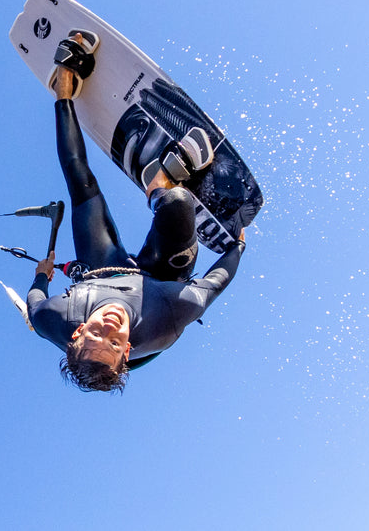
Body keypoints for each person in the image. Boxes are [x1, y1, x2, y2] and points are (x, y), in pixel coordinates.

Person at [27, 31, 247, 393]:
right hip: (161, 282)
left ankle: (64, 87)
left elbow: (34, 303)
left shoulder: (53, 318)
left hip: (101, 270)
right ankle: (161, 183)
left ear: (78, 330)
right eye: (114, 342)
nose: (110, 325)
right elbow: (214, 283)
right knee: (177, 204)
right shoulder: (169, 320)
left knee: (79, 181)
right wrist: (237, 248)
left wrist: (43, 276)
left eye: (97, 332)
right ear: (127, 349)